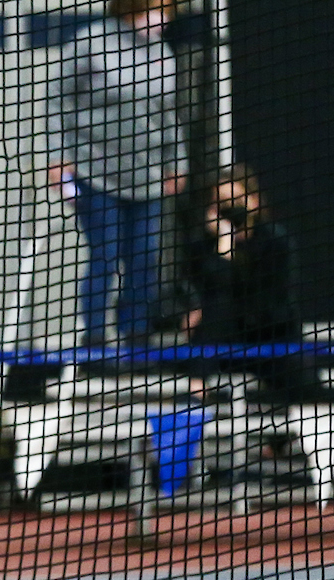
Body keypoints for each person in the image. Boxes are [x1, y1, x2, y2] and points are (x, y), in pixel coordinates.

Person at [46, 0, 188, 348]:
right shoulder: (90, 43)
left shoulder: (162, 53)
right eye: (155, 9)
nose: (161, 19)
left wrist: (177, 163)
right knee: (105, 254)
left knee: (144, 255)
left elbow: (168, 113)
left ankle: (137, 333)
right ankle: (94, 338)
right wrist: (57, 157)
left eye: (166, 12)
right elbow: (56, 101)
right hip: (96, 173)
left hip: (148, 176)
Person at [183, 164, 308, 399]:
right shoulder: (202, 245)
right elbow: (207, 290)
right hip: (224, 342)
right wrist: (224, 245)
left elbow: (273, 301)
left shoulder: (275, 243)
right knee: (217, 307)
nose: (230, 209)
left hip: (269, 338)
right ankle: (196, 390)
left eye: (236, 200)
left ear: (254, 202)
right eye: (222, 203)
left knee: (304, 380)